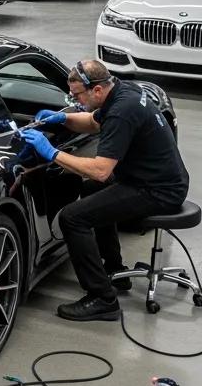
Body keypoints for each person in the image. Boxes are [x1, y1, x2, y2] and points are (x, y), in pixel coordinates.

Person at [17, 59, 189, 323]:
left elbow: (100, 170)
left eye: (76, 96)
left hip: (158, 191)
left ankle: (102, 298)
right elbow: (93, 122)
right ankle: (113, 269)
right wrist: (61, 119)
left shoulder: (121, 112)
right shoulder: (123, 91)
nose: (74, 100)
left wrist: (51, 152)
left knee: (73, 217)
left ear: (96, 90)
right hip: (157, 178)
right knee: (91, 191)